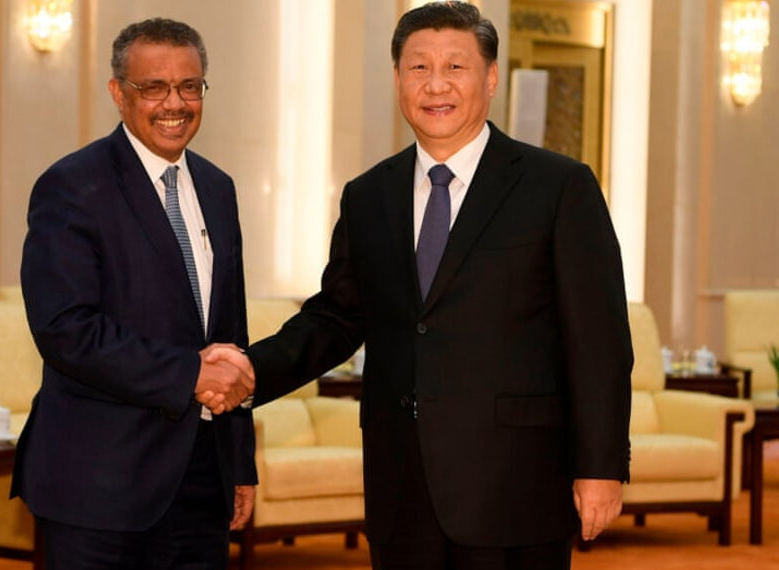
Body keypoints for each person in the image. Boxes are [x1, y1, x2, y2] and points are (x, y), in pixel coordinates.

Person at [210, 2, 632, 568]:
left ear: (489, 78)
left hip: (514, 488)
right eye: (418, 68)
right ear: (397, 79)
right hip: (400, 486)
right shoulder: (368, 196)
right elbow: (335, 318)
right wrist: (249, 371)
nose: (436, 85)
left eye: (455, 67)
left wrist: (601, 465)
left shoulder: (558, 187)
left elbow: (599, 341)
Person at [12, 17, 256, 569]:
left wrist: (239, 464)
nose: (176, 102)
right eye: (154, 87)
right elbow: (66, 330)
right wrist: (188, 374)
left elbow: (229, 336)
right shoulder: (72, 186)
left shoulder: (218, 189)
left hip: (201, 482)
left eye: (190, 86)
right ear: (119, 94)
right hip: (99, 486)